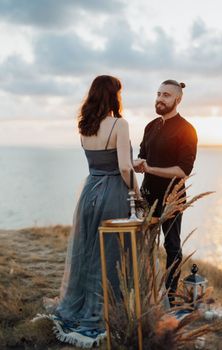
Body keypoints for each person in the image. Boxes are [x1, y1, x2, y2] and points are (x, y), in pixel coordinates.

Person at [51, 75, 140, 347]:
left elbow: (101, 162)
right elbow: (124, 168)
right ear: (114, 95)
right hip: (113, 193)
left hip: (89, 192)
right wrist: (136, 194)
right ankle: (105, 311)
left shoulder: (84, 127)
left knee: (89, 251)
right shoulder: (119, 124)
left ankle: (82, 307)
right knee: (112, 253)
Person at [134, 79, 197, 305]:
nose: (160, 99)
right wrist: (135, 164)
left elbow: (183, 170)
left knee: (171, 246)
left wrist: (150, 168)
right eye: (159, 94)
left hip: (173, 197)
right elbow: (143, 157)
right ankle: (145, 291)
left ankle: (169, 298)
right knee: (142, 245)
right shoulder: (150, 126)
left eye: (166, 95)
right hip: (147, 195)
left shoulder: (187, 130)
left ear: (178, 100)